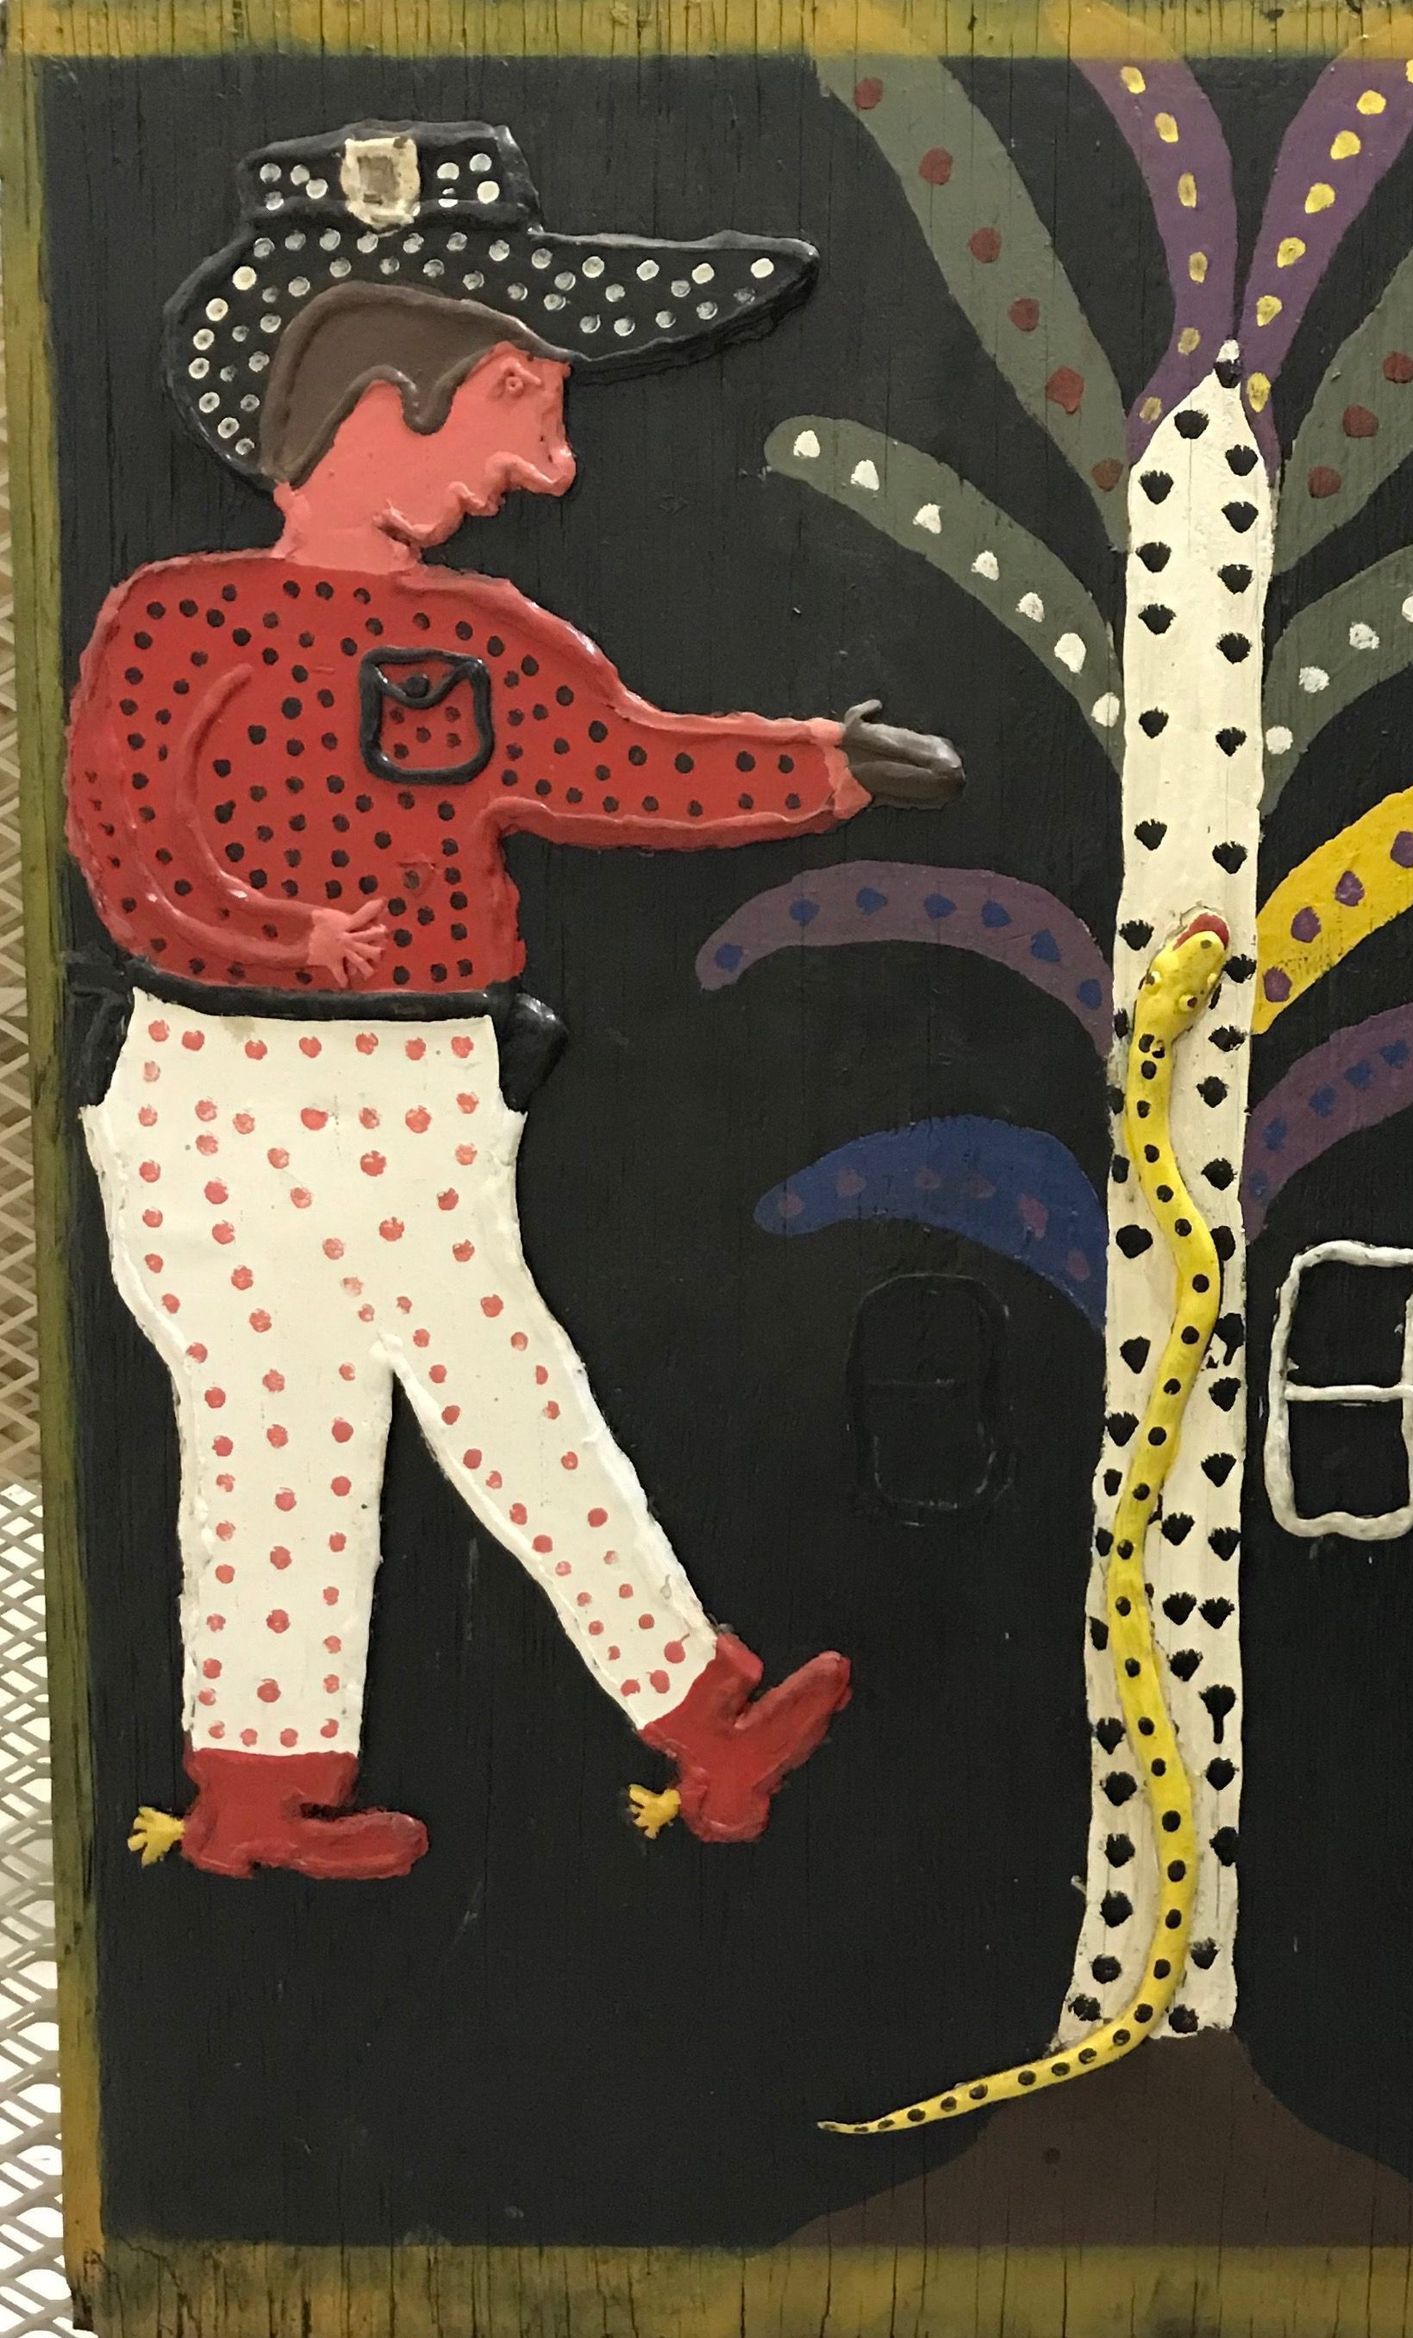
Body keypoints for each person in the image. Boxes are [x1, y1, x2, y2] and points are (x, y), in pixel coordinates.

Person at [70, 123, 963, 1879]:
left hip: (418, 1087)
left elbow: (631, 763)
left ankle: (625, 1733)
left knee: (453, 1396)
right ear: (385, 397)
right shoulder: (180, 620)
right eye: (519, 410)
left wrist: (824, 765)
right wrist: (275, 931)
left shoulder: (483, 639)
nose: (548, 468)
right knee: (300, 1421)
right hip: (220, 1084)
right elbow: (129, 840)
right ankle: (317, 1786)